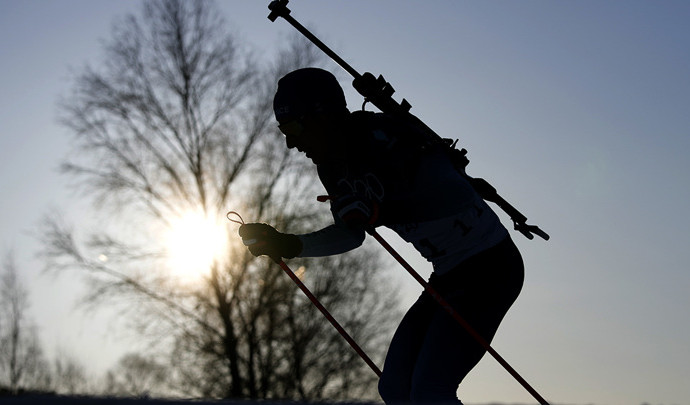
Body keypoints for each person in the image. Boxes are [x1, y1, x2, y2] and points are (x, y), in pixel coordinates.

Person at [239, 67, 524, 404]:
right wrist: (290, 244)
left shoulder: (387, 136)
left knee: (431, 391)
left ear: (323, 115)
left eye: (293, 127)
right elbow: (352, 233)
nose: (290, 142)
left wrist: (382, 208)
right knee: (395, 389)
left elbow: (455, 193)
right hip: (448, 275)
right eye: (283, 130)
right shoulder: (331, 168)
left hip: (491, 266)